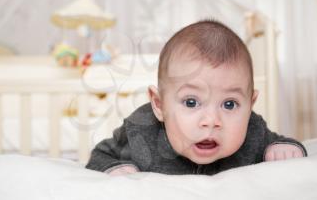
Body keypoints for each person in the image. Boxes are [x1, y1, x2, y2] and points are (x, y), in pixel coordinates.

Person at [86, 19, 307, 176]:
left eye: (229, 104)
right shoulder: (140, 129)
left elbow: (283, 145)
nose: (211, 120)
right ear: (159, 105)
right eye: (191, 102)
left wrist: (280, 149)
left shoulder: (253, 132)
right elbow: (101, 154)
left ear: (250, 105)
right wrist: (116, 169)